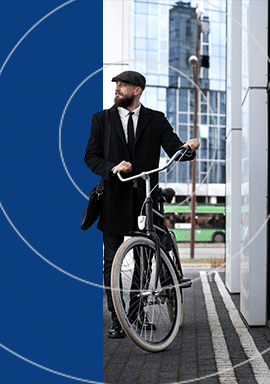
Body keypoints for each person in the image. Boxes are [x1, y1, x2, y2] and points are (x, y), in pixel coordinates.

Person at [84, 70, 200, 339]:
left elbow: (174, 150)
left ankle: (134, 314)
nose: (117, 89)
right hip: (113, 199)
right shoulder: (101, 120)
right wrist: (112, 167)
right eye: (117, 85)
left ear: (137, 90)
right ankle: (117, 318)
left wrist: (188, 148)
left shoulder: (156, 120)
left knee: (144, 260)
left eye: (123, 85)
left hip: (146, 199)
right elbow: (91, 157)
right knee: (111, 262)